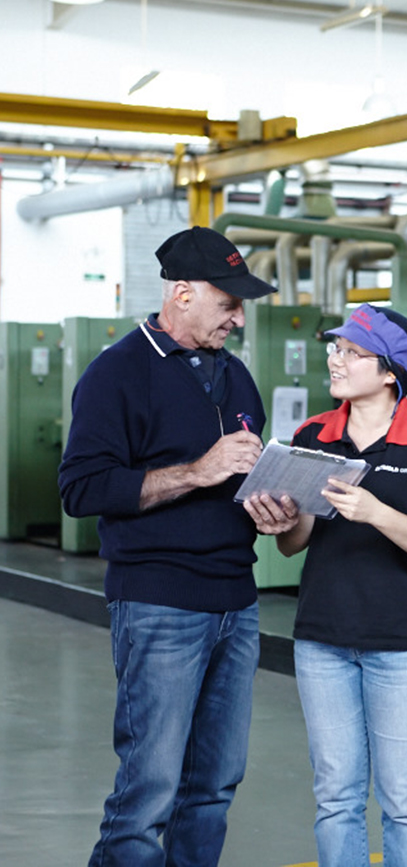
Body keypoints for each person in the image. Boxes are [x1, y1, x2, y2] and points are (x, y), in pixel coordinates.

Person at [59, 226, 278, 867]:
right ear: (181, 293)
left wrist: (270, 504)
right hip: (159, 605)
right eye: (228, 302)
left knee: (212, 788)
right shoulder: (117, 374)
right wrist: (197, 471)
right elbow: (82, 488)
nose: (239, 318)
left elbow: (238, 482)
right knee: (147, 795)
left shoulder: (236, 378)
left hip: (236, 604)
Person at [244, 303, 407, 867]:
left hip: (402, 647)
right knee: (336, 798)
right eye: (335, 349)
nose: (335, 359)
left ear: (391, 371)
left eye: (351, 352)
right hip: (323, 640)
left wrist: (375, 512)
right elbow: (293, 543)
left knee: (403, 802)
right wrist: (279, 517)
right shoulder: (312, 435)